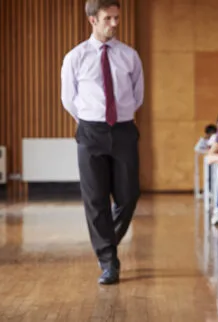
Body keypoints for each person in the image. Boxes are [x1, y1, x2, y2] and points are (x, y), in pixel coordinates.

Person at [61, 0, 144, 285]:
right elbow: (68, 98)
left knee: (129, 195)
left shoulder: (129, 56)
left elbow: (138, 95)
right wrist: (89, 119)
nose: (114, 24)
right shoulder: (76, 57)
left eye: (116, 18)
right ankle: (109, 261)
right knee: (95, 200)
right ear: (92, 20)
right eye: (108, 18)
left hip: (123, 130)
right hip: (90, 132)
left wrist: (119, 118)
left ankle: (105, 242)